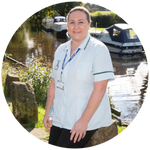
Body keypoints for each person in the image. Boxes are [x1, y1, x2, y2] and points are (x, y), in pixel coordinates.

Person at [43, 6, 115, 150]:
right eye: (72, 22)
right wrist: (47, 112)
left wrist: (83, 121)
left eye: (81, 22)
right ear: (67, 25)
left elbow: (100, 89)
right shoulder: (61, 50)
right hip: (60, 116)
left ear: (89, 24)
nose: (76, 26)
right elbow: (54, 83)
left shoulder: (98, 50)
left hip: (84, 118)